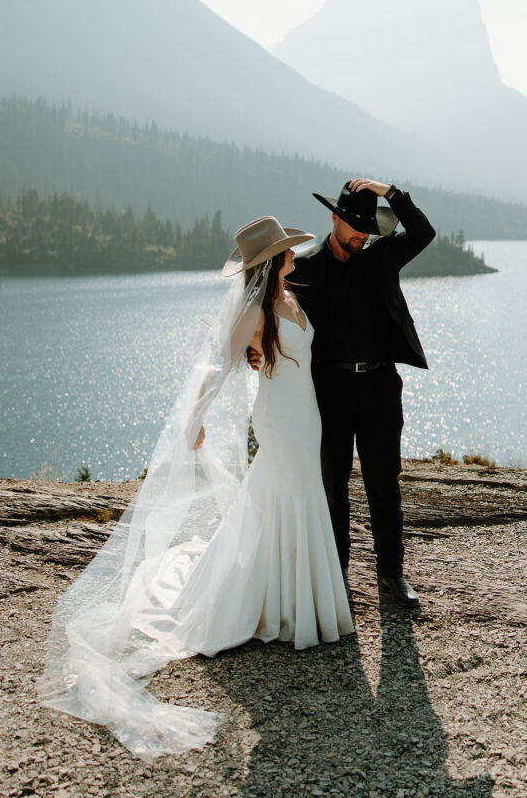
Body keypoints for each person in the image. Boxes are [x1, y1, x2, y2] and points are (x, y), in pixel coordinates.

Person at [38, 216, 353, 762]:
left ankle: (297, 602)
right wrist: (196, 418)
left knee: (298, 497)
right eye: (286, 251)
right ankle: (283, 606)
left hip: (308, 417)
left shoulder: (289, 297)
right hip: (280, 418)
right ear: (273, 259)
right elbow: (219, 365)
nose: (294, 255)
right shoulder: (255, 310)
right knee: (284, 495)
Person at [251, 178, 436, 609]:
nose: (361, 234)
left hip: (379, 387)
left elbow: (424, 233)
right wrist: (252, 349)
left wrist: (391, 192)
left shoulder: (383, 256)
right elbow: (269, 314)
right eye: (353, 225)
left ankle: (392, 576)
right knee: (333, 490)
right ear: (333, 218)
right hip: (327, 391)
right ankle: (337, 582)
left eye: (367, 227)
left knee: (384, 486)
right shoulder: (305, 269)